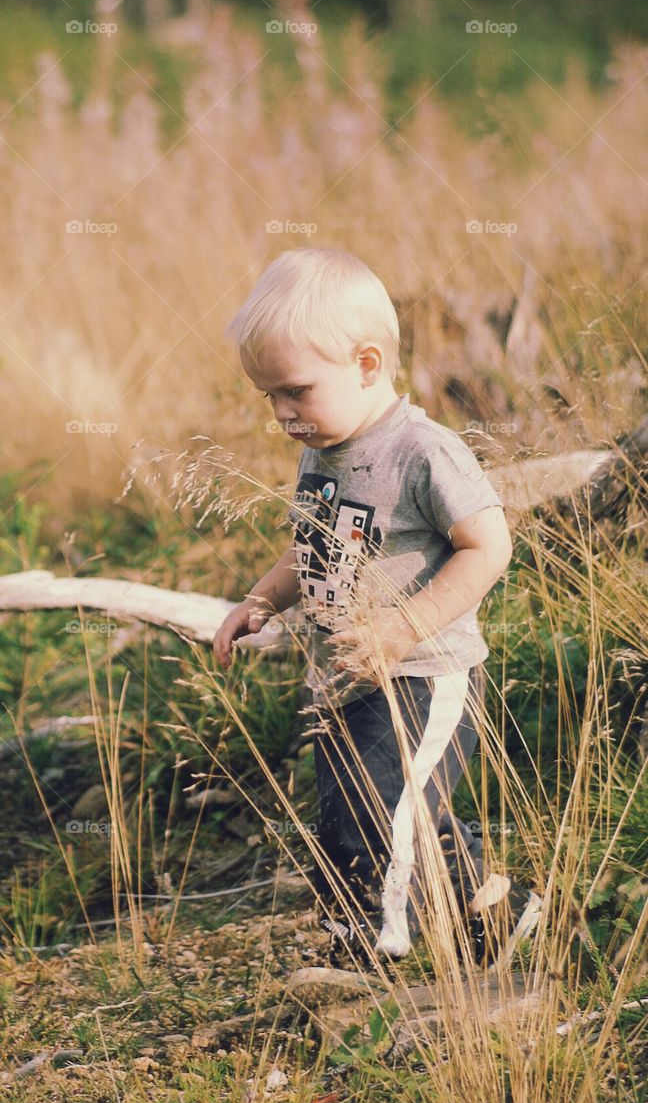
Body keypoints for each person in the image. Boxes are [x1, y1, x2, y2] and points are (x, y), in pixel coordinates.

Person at [212, 247, 542, 971]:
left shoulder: (424, 451)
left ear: (366, 364)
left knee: (376, 809)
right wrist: (260, 601)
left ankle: (367, 948)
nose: (282, 414)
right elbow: (314, 550)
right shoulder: (323, 451)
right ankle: (500, 914)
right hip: (347, 675)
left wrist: (404, 626)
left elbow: (488, 547)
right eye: (268, 397)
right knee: (364, 813)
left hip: (428, 674)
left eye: (295, 390)